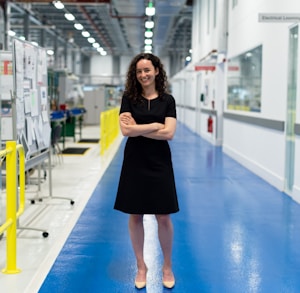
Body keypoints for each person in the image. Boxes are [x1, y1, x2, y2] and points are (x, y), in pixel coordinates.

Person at [114, 53, 179, 289]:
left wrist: (138, 128)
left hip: (160, 162)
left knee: (163, 216)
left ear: (157, 71)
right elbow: (125, 132)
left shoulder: (167, 100)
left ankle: (167, 266)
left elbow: (169, 133)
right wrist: (153, 125)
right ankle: (141, 266)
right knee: (135, 215)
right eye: (139, 71)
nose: (143, 75)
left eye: (147, 70)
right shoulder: (128, 99)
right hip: (135, 161)